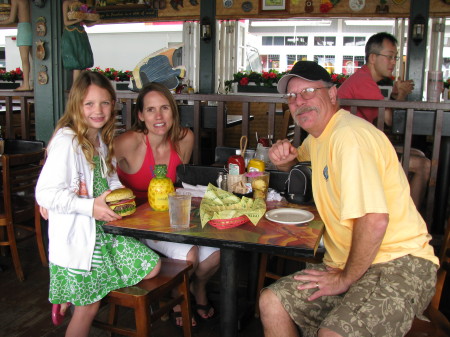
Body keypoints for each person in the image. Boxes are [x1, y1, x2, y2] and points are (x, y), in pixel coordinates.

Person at [260, 61, 439, 337]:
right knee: (272, 302)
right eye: (292, 96)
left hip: (398, 262)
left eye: (308, 91)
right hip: (346, 262)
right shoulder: (319, 136)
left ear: (332, 95)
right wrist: (284, 160)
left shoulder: (349, 137)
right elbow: (300, 159)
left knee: (331, 334)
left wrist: (345, 278)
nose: (299, 101)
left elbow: (375, 220)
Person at [35, 71, 161, 337]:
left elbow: (111, 179)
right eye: (89, 104)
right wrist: (89, 207)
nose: (98, 110)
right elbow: (45, 193)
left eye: (104, 103)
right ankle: (76, 295)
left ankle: (71, 294)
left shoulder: (100, 140)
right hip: (79, 240)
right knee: (89, 308)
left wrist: (121, 195)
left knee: (153, 267)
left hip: (103, 232)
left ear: (113, 104)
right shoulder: (67, 141)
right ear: (77, 105)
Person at [114, 82, 220, 326]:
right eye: (150, 110)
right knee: (191, 254)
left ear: (174, 111)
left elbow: (179, 183)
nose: (159, 116)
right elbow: (94, 162)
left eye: (164, 108)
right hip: (135, 223)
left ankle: (197, 288)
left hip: (167, 218)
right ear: (140, 115)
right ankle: (176, 297)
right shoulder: (129, 142)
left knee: (215, 254)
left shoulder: (185, 138)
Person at [337, 32, 430, 209]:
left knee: (419, 155)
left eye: (395, 57)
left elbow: (385, 112)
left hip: (362, 145)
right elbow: (391, 121)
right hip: (356, 152)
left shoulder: (365, 79)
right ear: (373, 57)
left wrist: (395, 95)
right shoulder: (364, 81)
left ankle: (398, 209)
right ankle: (408, 220)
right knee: (423, 165)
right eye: (389, 57)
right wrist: (401, 94)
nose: (393, 62)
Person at [0, 0, 32, 91]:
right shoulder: (27, 2)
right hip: (31, 27)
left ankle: (26, 84)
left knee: (24, 59)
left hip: (23, 27)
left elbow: (11, 19)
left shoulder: (15, 0)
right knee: (33, 59)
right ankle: (32, 83)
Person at [62, 0, 97, 84]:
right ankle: (76, 87)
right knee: (76, 63)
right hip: (71, 34)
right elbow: (66, 22)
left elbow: (87, 23)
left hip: (80, 33)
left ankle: (83, 86)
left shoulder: (81, 4)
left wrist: (96, 22)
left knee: (83, 61)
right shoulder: (66, 3)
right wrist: (78, 20)